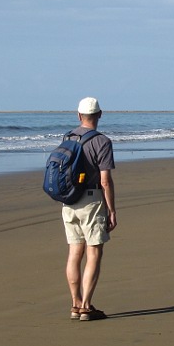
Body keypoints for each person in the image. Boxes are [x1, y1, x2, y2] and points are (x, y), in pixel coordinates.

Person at [62, 97, 117, 321]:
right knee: (94, 252)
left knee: (75, 253)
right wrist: (111, 210)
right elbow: (105, 181)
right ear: (100, 114)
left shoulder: (68, 137)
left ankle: (75, 304)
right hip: (91, 200)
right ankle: (86, 306)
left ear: (78, 115)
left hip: (69, 201)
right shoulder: (102, 142)